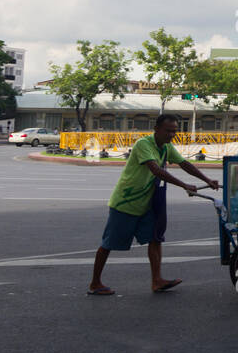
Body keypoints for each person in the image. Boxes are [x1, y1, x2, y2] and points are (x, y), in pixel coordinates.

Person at [88, 114, 218, 295]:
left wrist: (207, 179)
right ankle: (95, 283)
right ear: (156, 129)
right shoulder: (144, 144)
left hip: (146, 203)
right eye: (168, 130)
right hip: (126, 202)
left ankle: (157, 280)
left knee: (155, 239)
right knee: (108, 243)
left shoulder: (165, 147)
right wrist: (184, 185)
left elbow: (185, 163)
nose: (172, 134)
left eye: (175, 131)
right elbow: (155, 170)